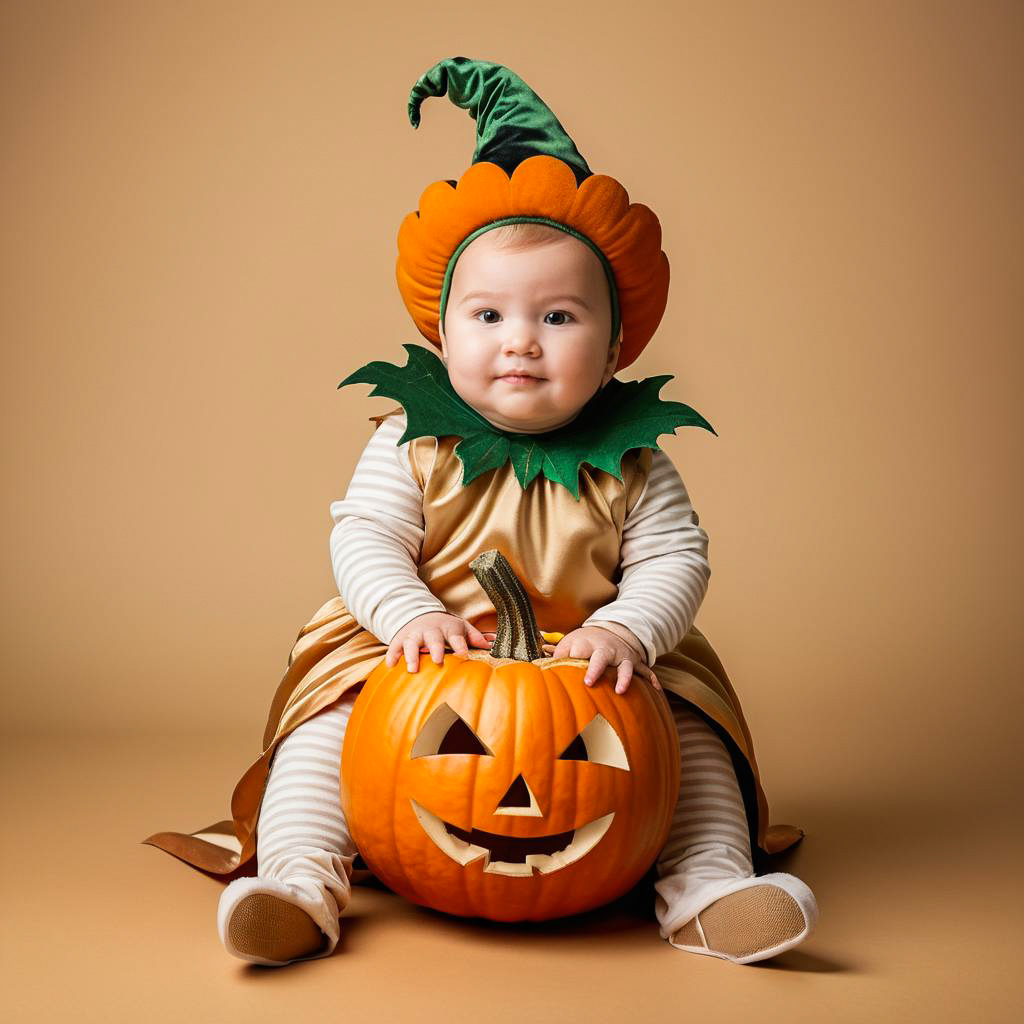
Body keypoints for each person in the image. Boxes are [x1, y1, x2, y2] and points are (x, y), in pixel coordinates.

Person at [144, 57, 818, 967]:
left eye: (561, 318)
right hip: (421, 662)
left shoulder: (634, 458)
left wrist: (630, 629)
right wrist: (408, 613)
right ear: (442, 330)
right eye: (489, 314)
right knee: (330, 732)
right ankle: (303, 883)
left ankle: (706, 887)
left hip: (594, 665)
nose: (522, 343)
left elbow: (676, 560)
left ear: (617, 340)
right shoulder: (412, 443)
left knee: (687, 735)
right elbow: (367, 535)